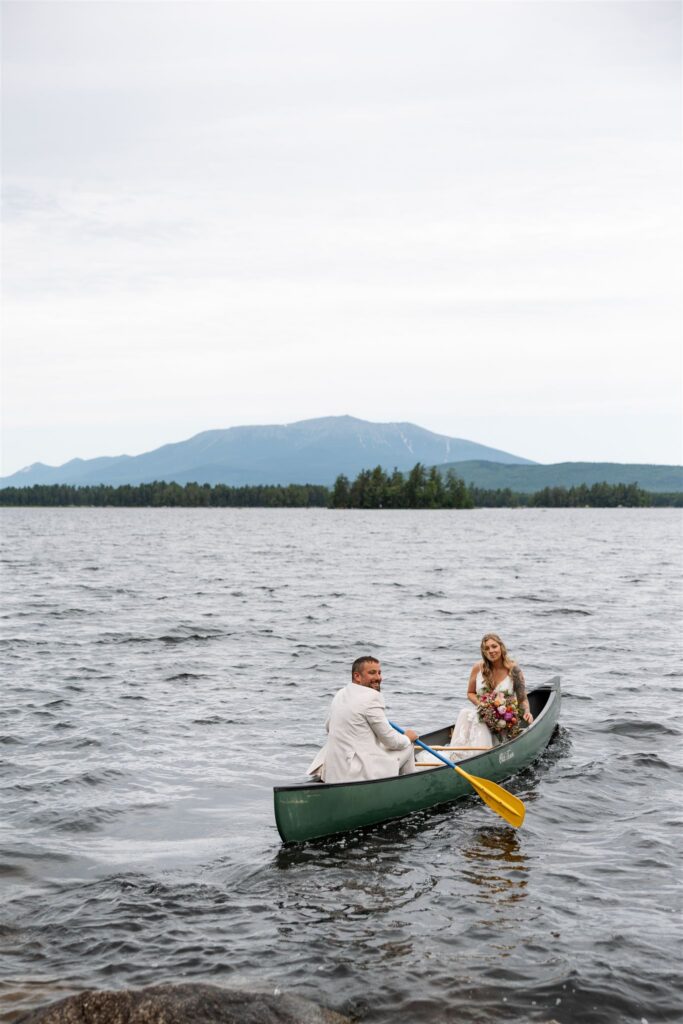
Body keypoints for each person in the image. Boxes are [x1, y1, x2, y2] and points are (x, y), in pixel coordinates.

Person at [307, 656, 418, 783]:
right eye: (372, 673)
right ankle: (411, 785)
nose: (378, 677)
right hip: (357, 772)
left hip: (335, 770)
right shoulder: (372, 698)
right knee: (407, 746)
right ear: (357, 676)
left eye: (379, 672)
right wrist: (408, 738)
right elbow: (391, 741)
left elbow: (328, 726)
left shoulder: (341, 693)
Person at [448, 633, 533, 757]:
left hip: (503, 721)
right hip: (483, 713)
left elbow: (522, 698)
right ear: (483, 652)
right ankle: (457, 754)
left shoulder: (514, 669)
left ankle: (481, 754)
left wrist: (527, 711)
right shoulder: (478, 668)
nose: (491, 651)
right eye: (487, 648)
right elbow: (470, 693)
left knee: (479, 720)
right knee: (465, 713)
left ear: (501, 647)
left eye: (494, 646)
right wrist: (483, 705)